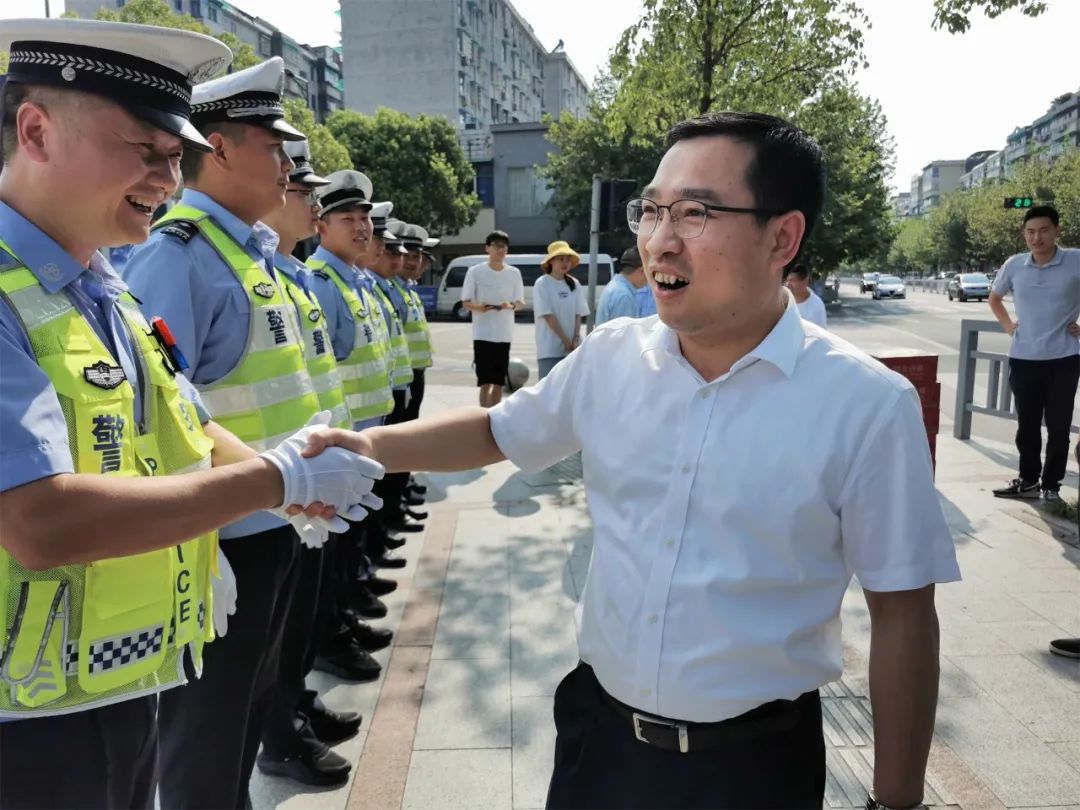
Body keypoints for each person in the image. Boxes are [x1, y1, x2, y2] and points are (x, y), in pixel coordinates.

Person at [308, 111, 960, 810]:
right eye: (650, 211)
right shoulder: (613, 356)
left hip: (753, 772)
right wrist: (370, 448)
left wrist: (897, 802)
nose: (661, 240)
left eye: (695, 212)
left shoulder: (864, 404)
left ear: (783, 237)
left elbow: (902, 612)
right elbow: (500, 432)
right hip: (600, 744)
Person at [0, 19, 379, 809]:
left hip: (117, 673)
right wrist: (274, 478)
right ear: (35, 130)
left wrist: (285, 483)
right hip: (27, 717)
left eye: (176, 157)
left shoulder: (96, 285)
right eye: (145, 150)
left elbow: (184, 421)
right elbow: (39, 522)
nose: (168, 179)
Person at [121, 56, 344, 810]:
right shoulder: (174, 255)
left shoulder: (245, 252)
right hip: (220, 536)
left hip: (272, 517)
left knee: (245, 712)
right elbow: (157, 416)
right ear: (218, 150)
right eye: (271, 146)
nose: (287, 165)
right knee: (204, 733)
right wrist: (194, 541)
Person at [254, 138, 362, 787]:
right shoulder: (187, 260)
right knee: (240, 677)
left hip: (298, 485)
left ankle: (288, 713)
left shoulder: (286, 277)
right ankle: (278, 735)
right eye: (300, 186)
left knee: (292, 631)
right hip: (252, 501)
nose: (305, 195)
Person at [306, 171, 397, 681]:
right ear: (322, 225)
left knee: (346, 550)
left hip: (361, 439)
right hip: (334, 445)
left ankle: (342, 619)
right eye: (349, 218)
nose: (363, 227)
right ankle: (331, 636)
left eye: (365, 218)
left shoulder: (349, 278)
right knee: (330, 556)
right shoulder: (321, 282)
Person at [989, 204, 1080, 504]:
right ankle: (1028, 480)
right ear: (1024, 235)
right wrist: (1008, 326)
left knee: (1058, 427)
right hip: (1024, 359)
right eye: (1030, 232)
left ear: (1057, 231)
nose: (1036, 238)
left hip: (1063, 360)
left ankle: (1051, 485)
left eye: (1043, 231)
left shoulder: (1075, 260)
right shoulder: (1014, 264)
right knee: (1026, 425)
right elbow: (995, 298)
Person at [461, 229, 524, 407]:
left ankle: (495, 416)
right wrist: (479, 307)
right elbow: (465, 302)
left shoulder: (514, 273)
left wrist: (509, 306)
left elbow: (519, 303)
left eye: (504, 246)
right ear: (487, 248)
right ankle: (483, 415)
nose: (500, 250)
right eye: (496, 246)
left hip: (504, 334)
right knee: (485, 381)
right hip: (483, 334)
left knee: (498, 382)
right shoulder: (475, 272)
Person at [533, 240, 589, 378]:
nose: (565, 263)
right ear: (551, 261)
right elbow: (548, 316)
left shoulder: (574, 283)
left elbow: (578, 314)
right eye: (561, 259)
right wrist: (565, 340)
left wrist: (575, 338)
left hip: (572, 349)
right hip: (549, 349)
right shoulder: (542, 283)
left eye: (568, 259)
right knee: (548, 393)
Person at [596, 245, 648, 325]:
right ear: (641, 271)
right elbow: (623, 335)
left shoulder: (615, 287)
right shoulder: (624, 296)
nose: (648, 281)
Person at [784, 263, 827, 329]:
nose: (788, 284)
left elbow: (820, 333)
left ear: (805, 281)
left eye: (792, 280)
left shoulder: (816, 305)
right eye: (787, 280)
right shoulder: (782, 300)